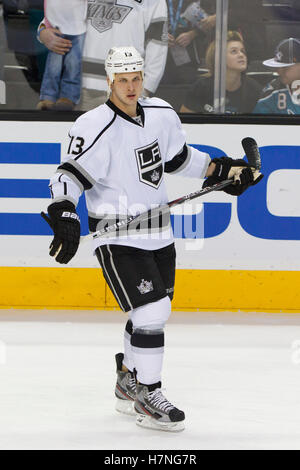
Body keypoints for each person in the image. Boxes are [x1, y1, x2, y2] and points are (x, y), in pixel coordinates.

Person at [42, 46, 262, 432]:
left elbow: (179, 159)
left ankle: (128, 380)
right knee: (152, 313)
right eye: (123, 80)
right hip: (117, 234)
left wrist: (223, 171)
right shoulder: (92, 126)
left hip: (158, 233)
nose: (130, 86)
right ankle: (149, 392)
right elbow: (68, 175)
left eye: (136, 78)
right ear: (110, 81)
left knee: (150, 315)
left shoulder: (161, 113)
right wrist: (64, 212)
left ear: (142, 77)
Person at [38, 0, 168, 111]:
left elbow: (158, 44)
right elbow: (58, 13)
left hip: (124, 91)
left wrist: (145, 89)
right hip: (77, 92)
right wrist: (42, 31)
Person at [180, 31, 262, 114]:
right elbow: (184, 122)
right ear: (219, 58)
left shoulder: (254, 89)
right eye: (234, 51)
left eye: (243, 51)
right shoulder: (201, 87)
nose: (241, 55)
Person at [36, 0, 87, 110]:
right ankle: (48, 96)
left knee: (72, 64)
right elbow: (45, 21)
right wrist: (42, 31)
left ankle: (69, 96)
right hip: (61, 27)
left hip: (95, 80)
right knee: (54, 65)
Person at [159, 0, 210, 86]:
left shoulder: (194, 2)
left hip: (188, 64)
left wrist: (193, 34)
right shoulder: (154, 3)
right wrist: (158, 36)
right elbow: (141, 27)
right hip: (159, 62)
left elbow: (210, 25)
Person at [253, 37, 300, 115]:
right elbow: (258, 123)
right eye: (278, 66)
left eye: (285, 67)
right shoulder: (272, 91)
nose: (278, 71)